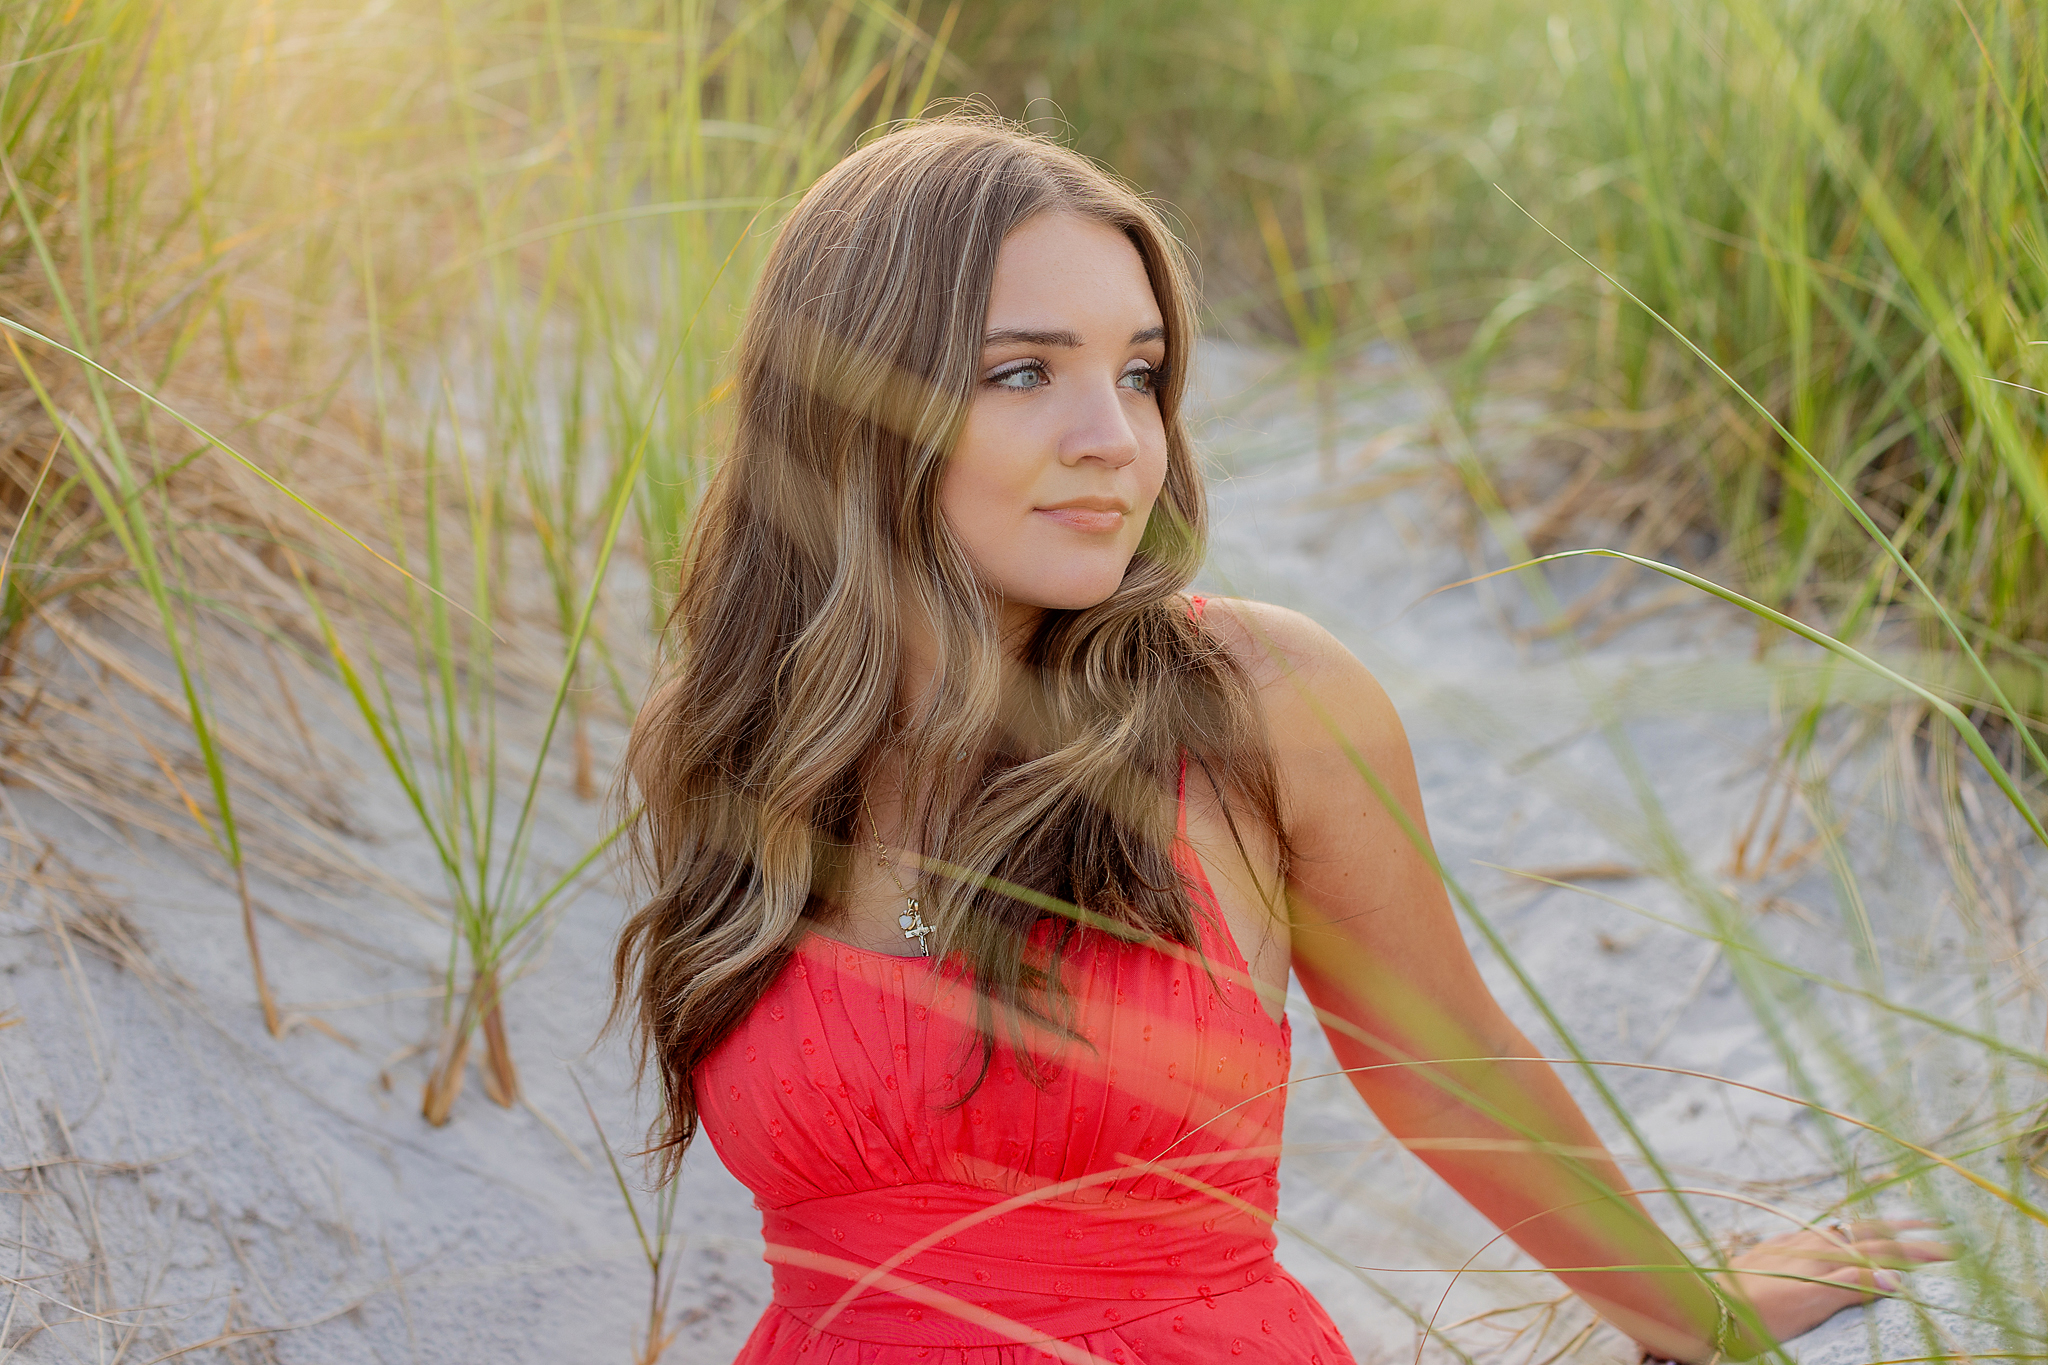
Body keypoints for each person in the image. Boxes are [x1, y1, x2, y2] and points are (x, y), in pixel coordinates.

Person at [609, 116, 1945, 1364]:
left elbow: (1444, 1063)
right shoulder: (746, 753)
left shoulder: (1252, 698)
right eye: (1023, 372)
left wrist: (1698, 1311)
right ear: (852, 406)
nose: (1114, 441)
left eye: (1140, 375)